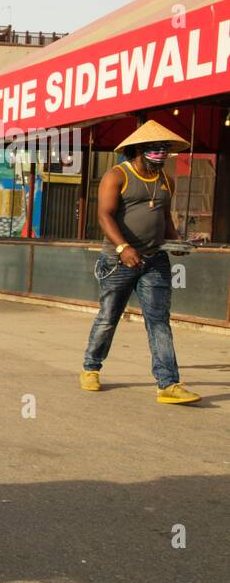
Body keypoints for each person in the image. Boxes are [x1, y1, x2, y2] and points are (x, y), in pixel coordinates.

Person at [80, 121, 199, 404]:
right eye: (155, 149)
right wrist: (123, 248)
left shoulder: (166, 180)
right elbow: (104, 216)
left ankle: (168, 384)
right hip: (117, 261)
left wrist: (176, 241)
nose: (161, 154)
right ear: (138, 150)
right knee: (109, 318)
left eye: (165, 149)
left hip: (155, 260)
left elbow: (165, 217)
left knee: (159, 321)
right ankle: (91, 368)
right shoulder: (117, 175)